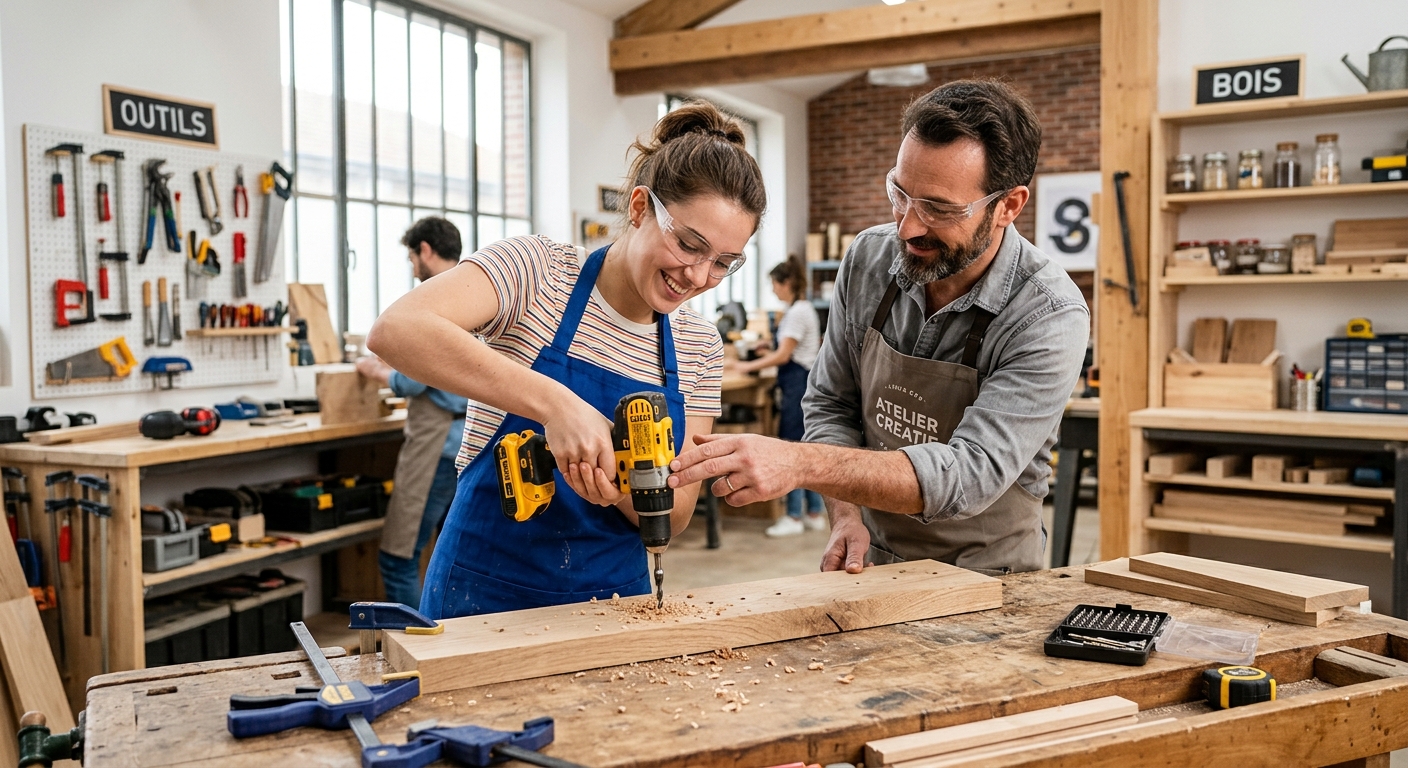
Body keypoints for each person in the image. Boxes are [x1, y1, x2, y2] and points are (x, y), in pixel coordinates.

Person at [668, 79, 1089, 576]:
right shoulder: (869, 258)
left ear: (1008, 206)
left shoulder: (1047, 313)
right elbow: (831, 403)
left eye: (938, 208)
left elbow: (970, 475)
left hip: (987, 577)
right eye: (900, 194)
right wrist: (845, 514)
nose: (908, 226)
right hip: (869, 562)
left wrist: (801, 463)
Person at [366, 101, 766, 618]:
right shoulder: (538, 272)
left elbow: (679, 512)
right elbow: (397, 330)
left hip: (614, 602)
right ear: (641, 208)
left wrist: (616, 481)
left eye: (723, 264)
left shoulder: (699, 345)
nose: (698, 276)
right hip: (482, 593)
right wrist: (558, 406)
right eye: (690, 244)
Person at [355, 217, 470, 609]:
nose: (412, 267)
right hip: (467, 444)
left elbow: (415, 380)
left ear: (425, 250)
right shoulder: (473, 294)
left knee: (397, 557)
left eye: (411, 257)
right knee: (453, 559)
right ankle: (453, 645)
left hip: (435, 447)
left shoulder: (436, 300)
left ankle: (419, 651)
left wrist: (379, 371)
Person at [728, 256, 825, 537]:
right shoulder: (799, 309)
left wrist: (745, 365)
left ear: (788, 283)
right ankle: (814, 512)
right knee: (806, 448)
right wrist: (766, 344)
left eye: (774, 284)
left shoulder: (797, 312)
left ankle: (794, 516)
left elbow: (784, 355)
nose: (773, 290)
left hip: (799, 386)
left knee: (792, 449)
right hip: (801, 383)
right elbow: (784, 345)